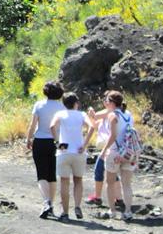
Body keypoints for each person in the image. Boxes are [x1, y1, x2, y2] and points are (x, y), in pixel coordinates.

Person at [50, 93, 94, 222]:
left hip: (64, 151)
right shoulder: (81, 115)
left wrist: (57, 142)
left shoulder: (60, 114)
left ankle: (65, 212)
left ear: (64, 104)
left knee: (64, 182)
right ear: (76, 103)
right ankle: (77, 206)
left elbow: (52, 126)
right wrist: (84, 144)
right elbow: (92, 126)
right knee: (78, 180)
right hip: (78, 151)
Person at [26, 81, 65, 219]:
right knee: (52, 174)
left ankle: (46, 201)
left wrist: (28, 139)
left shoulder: (39, 105)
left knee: (41, 174)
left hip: (40, 140)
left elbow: (33, 124)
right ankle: (51, 205)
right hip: (56, 142)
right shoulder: (63, 107)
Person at [98, 90, 137, 221]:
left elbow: (113, 135)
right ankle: (128, 211)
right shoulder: (129, 115)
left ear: (112, 103)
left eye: (107, 101)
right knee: (127, 184)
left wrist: (104, 150)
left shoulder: (112, 116)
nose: (105, 103)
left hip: (115, 152)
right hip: (129, 153)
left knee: (110, 182)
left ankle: (112, 211)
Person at [86, 98, 126, 208]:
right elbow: (95, 123)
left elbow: (96, 117)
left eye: (106, 100)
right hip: (114, 148)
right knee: (112, 173)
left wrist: (91, 114)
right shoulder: (117, 114)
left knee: (100, 170)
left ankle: (100, 198)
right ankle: (119, 199)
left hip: (111, 148)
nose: (104, 102)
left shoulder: (110, 113)